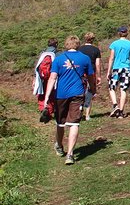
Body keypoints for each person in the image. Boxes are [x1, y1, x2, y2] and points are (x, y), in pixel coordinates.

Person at [42, 35, 96, 165]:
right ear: (77, 44)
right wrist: (93, 89)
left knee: (60, 123)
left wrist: (47, 96)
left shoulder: (59, 59)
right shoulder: (85, 58)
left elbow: (52, 78)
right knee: (74, 123)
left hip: (61, 94)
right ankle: (70, 154)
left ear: (66, 45)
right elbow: (90, 77)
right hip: (78, 93)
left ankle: (60, 146)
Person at [107, 26, 130, 118]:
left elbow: (111, 58)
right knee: (123, 89)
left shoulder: (114, 44)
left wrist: (108, 71)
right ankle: (121, 112)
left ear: (119, 33)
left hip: (116, 68)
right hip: (126, 68)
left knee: (112, 87)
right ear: (127, 33)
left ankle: (115, 105)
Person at [77, 32, 101, 120]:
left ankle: (79, 111)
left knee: (80, 91)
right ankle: (87, 115)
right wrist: (99, 76)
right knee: (90, 92)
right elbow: (98, 64)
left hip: (81, 73)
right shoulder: (96, 50)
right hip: (91, 72)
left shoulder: (79, 49)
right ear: (93, 39)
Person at [33, 38, 58, 119]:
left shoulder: (43, 53)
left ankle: (42, 108)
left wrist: (34, 78)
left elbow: (37, 66)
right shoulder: (57, 53)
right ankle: (49, 110)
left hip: (41, 77)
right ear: (56, 44)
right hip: (52, 76)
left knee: (41, 93)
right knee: (51, 93)